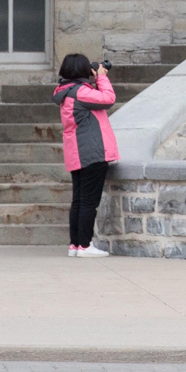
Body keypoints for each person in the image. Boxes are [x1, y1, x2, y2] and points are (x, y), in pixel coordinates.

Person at [52, 54, 119, 258]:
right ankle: (85, 245)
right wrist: (101, 77)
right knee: (89, 201)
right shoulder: (81, 91)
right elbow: (108, 99)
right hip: (91, 152)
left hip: (76, 153)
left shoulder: (65, 92)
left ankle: (75, 245)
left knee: (79, 201)